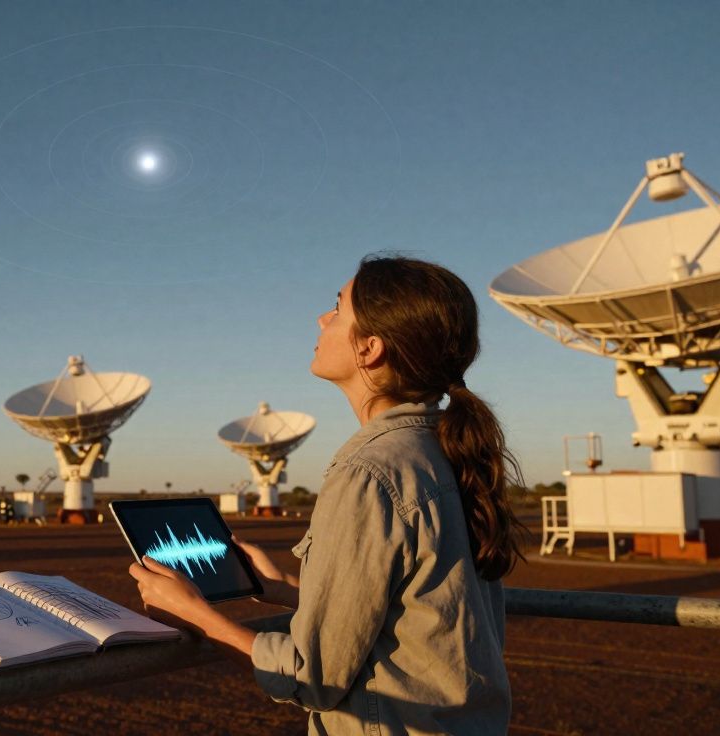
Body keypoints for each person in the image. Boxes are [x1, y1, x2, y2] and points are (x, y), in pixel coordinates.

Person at [129, 254, 523, 735]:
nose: (322, 318)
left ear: (370, 348)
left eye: (337, 309)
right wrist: (287, 591)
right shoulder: (444, 450)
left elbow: (310, 676)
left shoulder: (370, 471)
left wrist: (193, 614)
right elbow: (419, 606)